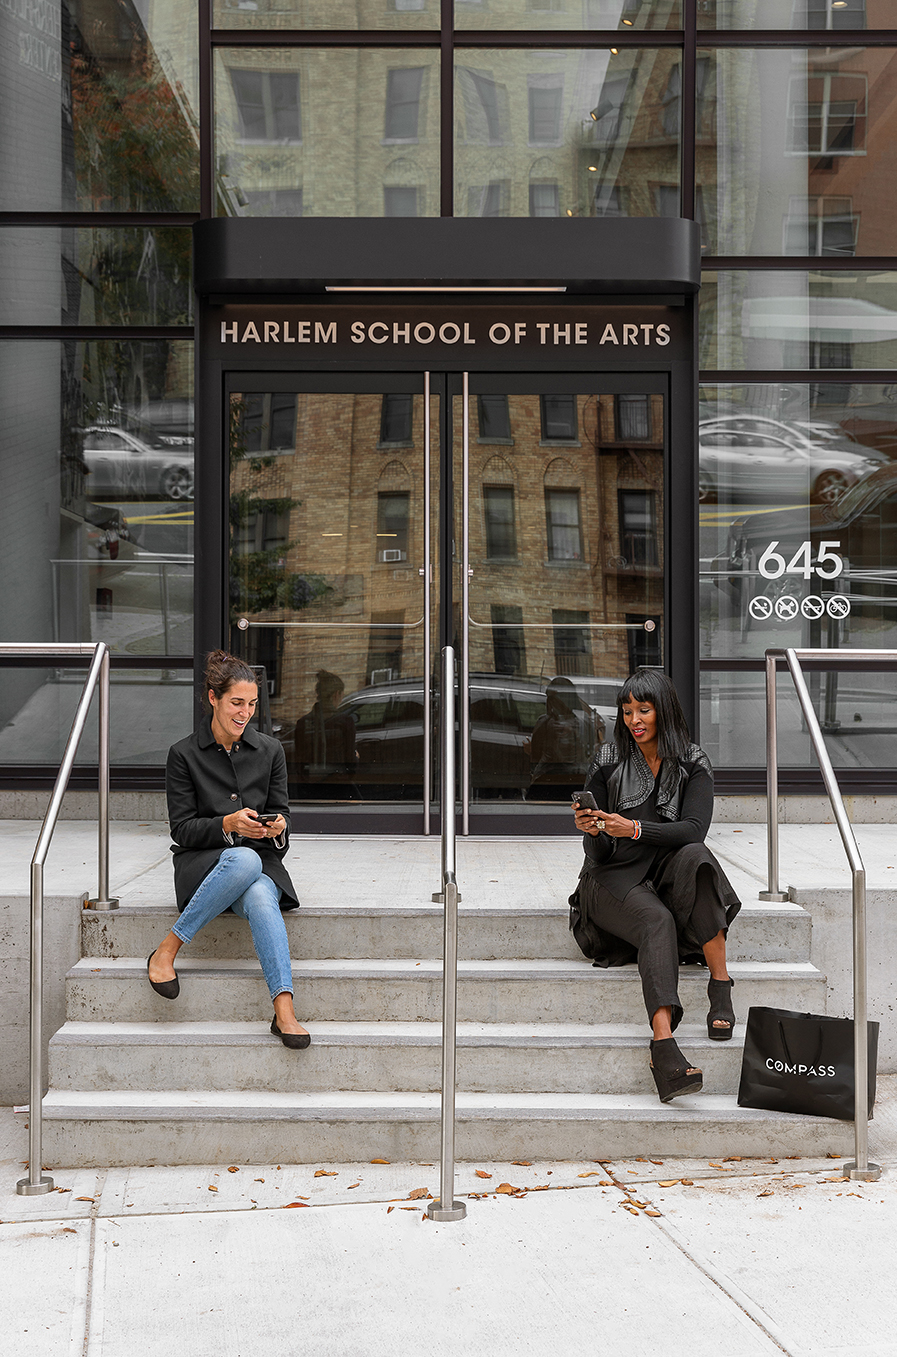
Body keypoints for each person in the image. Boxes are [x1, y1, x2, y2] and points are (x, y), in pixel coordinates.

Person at [571, 670, 740, 1103]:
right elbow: (600, 859)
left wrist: (634, 828)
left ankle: (719, 984)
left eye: (643, 710)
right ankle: (663, 1047)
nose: (633, 720)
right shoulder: (607, 761)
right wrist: (594, 833)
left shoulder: (693, 762)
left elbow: (693, 830)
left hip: (665, 871)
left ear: (662, 710)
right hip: (611, 879)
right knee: (656, 919)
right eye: (626, 711)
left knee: (699, 859)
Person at [146, 650, 310, 1050]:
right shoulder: (183, 754)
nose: (245, 712)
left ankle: (284, 1007)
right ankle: (168, 948)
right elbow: (182, 830)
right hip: (203, 864)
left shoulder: (271, 751)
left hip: (259, 863)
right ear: (213, 698)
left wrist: (279, 826)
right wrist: (227, 824)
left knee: (257, 888)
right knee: (243, 857)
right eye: (237, 702)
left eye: (252, 704)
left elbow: (282, 813)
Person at [292, 669, 359, 799]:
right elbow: (350, 762)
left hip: (308, 789)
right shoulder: (345, 722)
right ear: (336, 694)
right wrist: (356, 758)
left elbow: (299, 763)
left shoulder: (302, 723)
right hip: (338, 788)